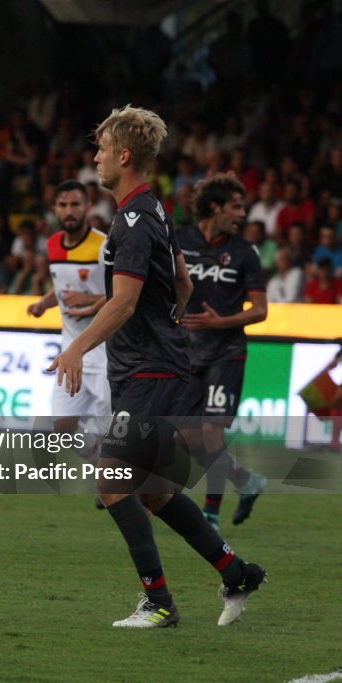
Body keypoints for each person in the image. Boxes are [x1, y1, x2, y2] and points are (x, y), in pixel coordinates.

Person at [49, 105, 266, 629]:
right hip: (146, 367)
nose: (95, 157)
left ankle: (159, 603)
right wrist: (169, 314)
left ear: (124, 155)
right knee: (151, 490)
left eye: (101, 148)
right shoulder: (152, 211)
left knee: (112, 483)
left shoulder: (131, 220)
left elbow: (123, 302)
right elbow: (183, 283)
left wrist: (77, 348)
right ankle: (235, 572)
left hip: (149, 369)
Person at [178, 174, 269, 530]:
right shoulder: (181, 240)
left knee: (212, 432)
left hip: (225, 352)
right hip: (185, 351)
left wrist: (222, 322)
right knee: (187, 437)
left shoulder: (244, 253)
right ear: (214, 207)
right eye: (236, 206)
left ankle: (210, 514)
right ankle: (246, 481)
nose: (242, 214)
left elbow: (260, 310)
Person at [27, 180, 109, 447]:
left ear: (88, 206)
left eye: (75, 204)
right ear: (55, 209)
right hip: (71, 350)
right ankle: (107, 472)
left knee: (112, 429)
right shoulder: (52, 245)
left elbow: (124, 294)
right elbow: (62, 287)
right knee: (63, 427)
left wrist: (91, 299)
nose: (69, 211)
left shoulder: (103, 245)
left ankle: (118, 482)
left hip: (105, 350)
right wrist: (45, 302)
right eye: (63, 205)